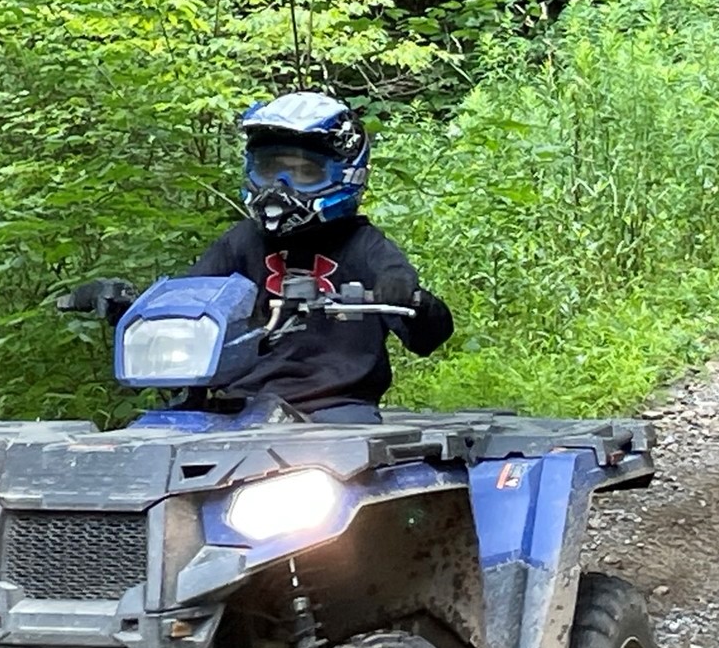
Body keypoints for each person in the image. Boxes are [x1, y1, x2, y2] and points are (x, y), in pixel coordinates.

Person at [66, 91, 453, 423]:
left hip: (335, 410)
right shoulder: (241, 241)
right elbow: (189, 301)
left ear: (345, 174)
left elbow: (427, 335)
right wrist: (128, 304)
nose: (279, 188)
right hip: (235, 408)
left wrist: (409, 297)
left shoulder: (364, 244)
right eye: (270, 170)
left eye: (303, 173)